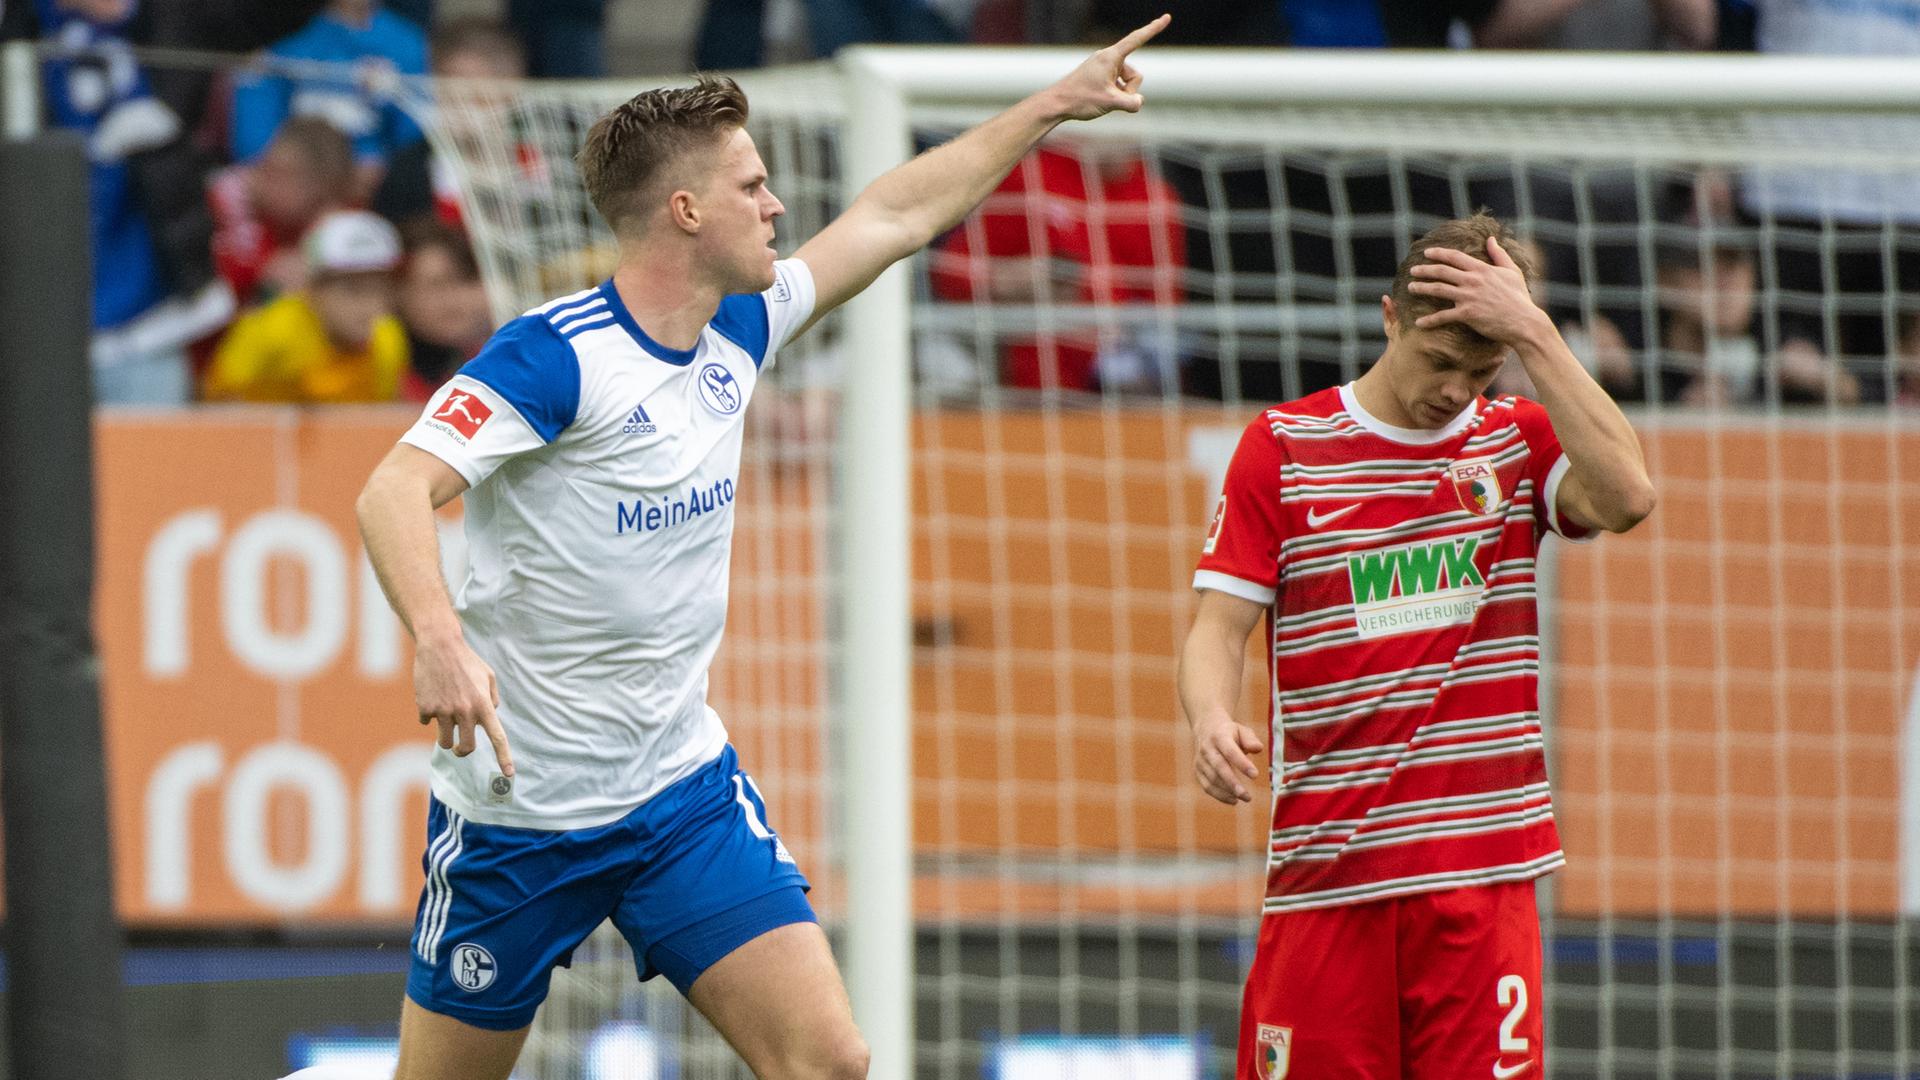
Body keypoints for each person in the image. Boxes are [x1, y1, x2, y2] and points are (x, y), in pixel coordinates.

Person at [353, 18, 1170, 1080]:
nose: (777, 205)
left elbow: (897, 210)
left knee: (830, 1059)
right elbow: (394, 487)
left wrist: (1051, 104)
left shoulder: (742, 324)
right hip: (520, 823)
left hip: (677, 797)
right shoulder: (555, 358)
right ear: (686, 210)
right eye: (752, 185)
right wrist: (438, 637)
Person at [1177, 212, 1654, 1079]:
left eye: (1481, 370)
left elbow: (1627, 495)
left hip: (1482, 882)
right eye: (1439, 363)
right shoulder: (1284, 449)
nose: (1454, 391)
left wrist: (1535, 335)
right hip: (1329, 882)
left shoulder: (1515, 439)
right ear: (1389, 318)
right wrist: (1211, 715)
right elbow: (1217, 626)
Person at [928, 138, 1187, 393]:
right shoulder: (1031, 174)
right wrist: (1004, 280)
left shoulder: (1159, 200)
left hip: (1114, 379)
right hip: (1022, 371)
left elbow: (1164, 311)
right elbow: (950, 274)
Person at [203, 209, 409, 403]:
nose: (370, 306)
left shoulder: (388, 339)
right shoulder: (274, 331)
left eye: (380, 289)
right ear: (313, 289)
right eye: (353, 289)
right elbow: (217, 403)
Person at [229, 0, 428, 200]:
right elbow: (252, 136)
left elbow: (414, 139)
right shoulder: (282, 36)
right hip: (287, 182)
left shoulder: (408, 44)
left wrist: (383, 172)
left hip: (372, 191)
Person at [209, 116, 359, 306]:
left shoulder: (343, 224)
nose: (262, 179)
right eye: (266, 166)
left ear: (321, 189)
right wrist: (263, 271)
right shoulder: (230, 199)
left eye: (282, 174)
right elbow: (225, 289)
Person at [394, 215, 491, 399]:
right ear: (397, 292)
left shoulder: (491, 361)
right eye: (436, 285)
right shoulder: (380, 368)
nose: (452, 299)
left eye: (463, 280)